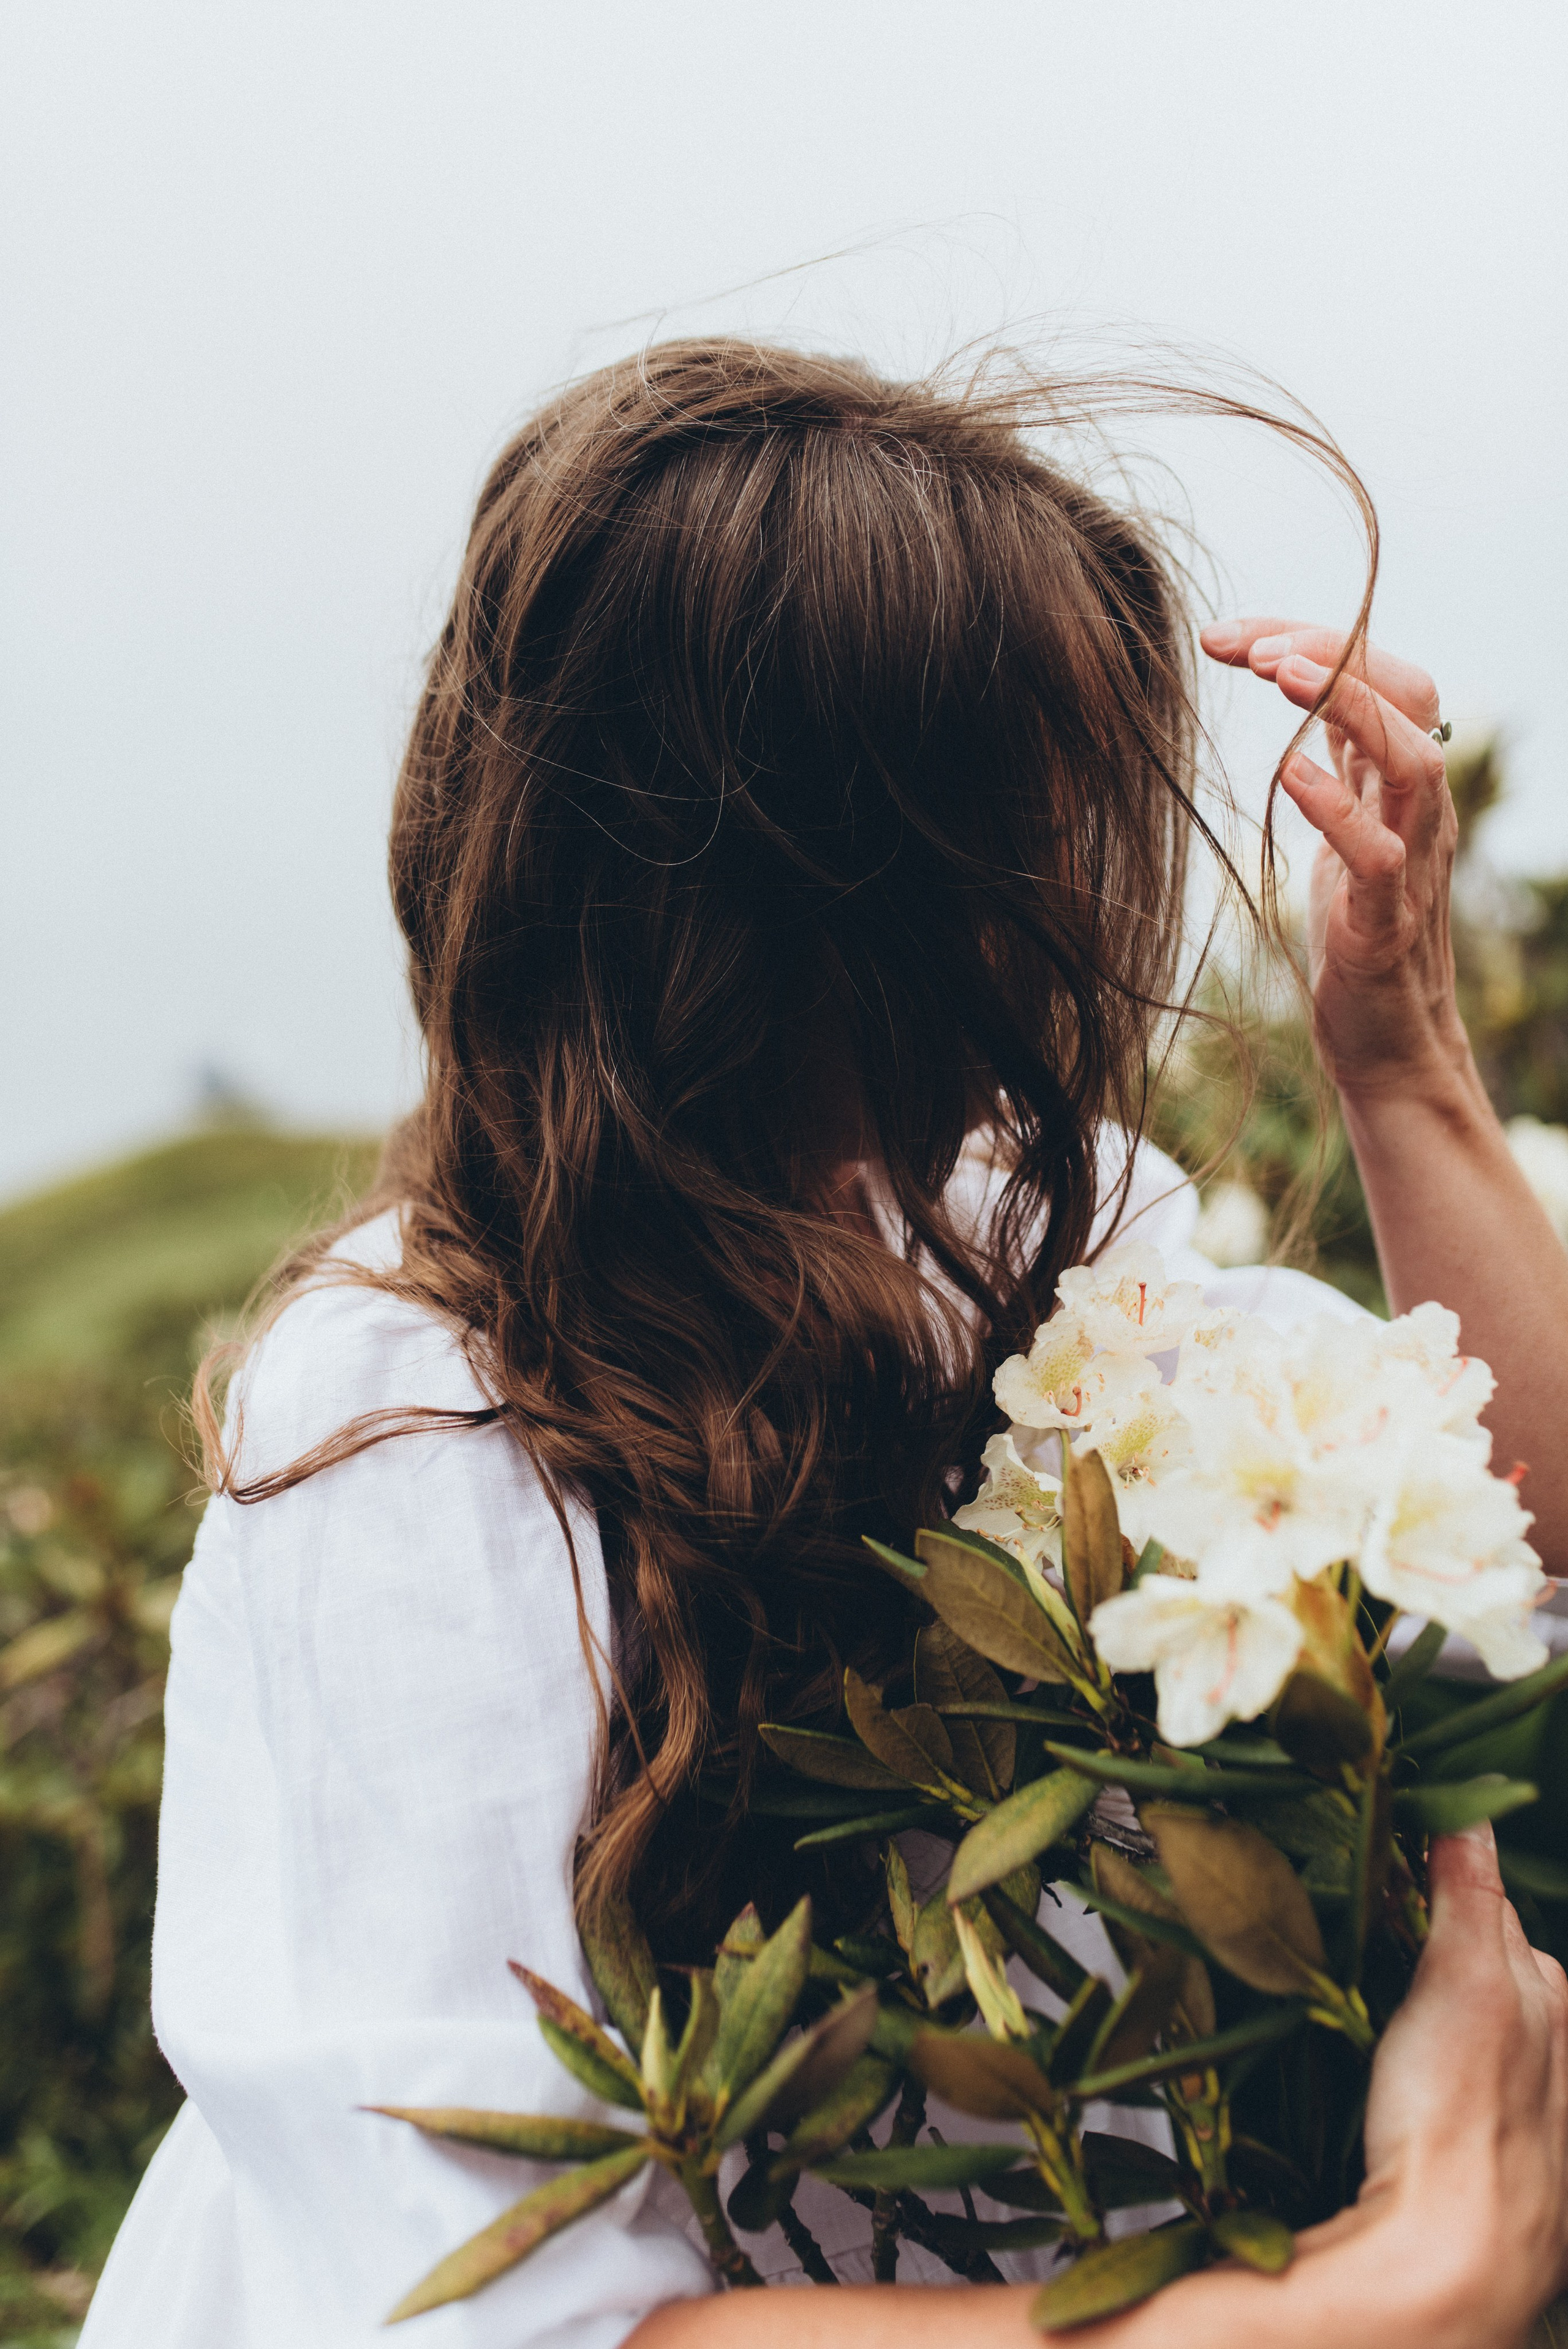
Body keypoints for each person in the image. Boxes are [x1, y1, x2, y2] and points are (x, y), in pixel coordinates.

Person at [80, 342, 1568, 2348]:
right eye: (1015, 833)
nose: (1066, 919)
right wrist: (1397, 2289)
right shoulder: (425, 1416)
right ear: (786, 887)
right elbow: (510, 2320)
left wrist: (1403, 1066)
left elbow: (1508, 1534)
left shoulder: (1013, 1250)